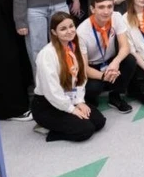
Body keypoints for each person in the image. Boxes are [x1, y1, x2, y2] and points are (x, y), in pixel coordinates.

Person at [31, 12, 106, 142]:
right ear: (54, 32)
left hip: (69, 97)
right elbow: (52, 91)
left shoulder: (73, 47)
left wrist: (80, 102)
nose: (69, 31)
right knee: (86, 130)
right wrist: (71, 109)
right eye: (63, 29)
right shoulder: (47, 54)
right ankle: (49, 130)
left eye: (71, 26)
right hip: (47, 105)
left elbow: (81, 78)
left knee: (99, 122)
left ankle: (65, 122)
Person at [76, 0, 136, 113]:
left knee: (130, 60)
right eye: (101, 7)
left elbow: (125, 47)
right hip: (92, 66)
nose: (106, 11)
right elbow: (84, 68)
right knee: (94, 87)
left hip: (109, 62)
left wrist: (115, 62)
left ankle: (115, 96)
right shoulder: (82, 31)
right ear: (92, 9)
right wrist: (104, 76)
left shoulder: (116, 17)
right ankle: (90, 100)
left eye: (109, 6)